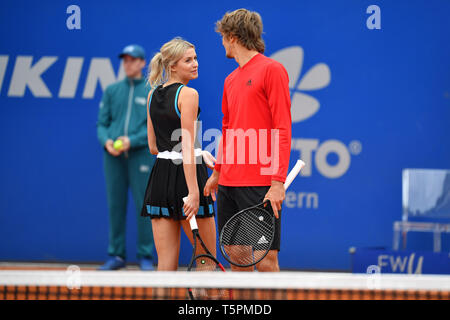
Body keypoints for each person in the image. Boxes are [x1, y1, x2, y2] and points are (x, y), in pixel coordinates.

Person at [204, 9, 292, 272]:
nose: (221, 42)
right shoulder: (230, 80)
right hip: (230, 184)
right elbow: (229, 129)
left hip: (260, 184)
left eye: (222, 37)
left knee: (265, 260)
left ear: (232, 37)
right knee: (238, 258)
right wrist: (218, 171)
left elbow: (282, 128)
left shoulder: (272, 70)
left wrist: (277, 183)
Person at [141, 38, 216, 271]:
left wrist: (199, 151)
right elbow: (185, 147)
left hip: (160, 180)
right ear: (172, 66)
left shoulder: (152, 95)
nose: (195, 64)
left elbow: (154, 147)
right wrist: (193, 192)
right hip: (188, 178)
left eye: (195, 58)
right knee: (206, 262)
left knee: (165, 267)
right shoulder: (189, 94)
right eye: (188, 60)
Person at [97, 44, 156, 270]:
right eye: (125, 60)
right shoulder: (112, 90)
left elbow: (154, 128)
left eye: (133, 60)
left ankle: (145, 256)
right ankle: (116, 255)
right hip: (113, 157)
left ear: (142, 63)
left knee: (144, 205)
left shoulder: (150, 90)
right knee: (115, 205)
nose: (128, 64)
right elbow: (102, 124)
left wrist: (134, 140)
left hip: (140, 155)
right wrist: (107, 141)